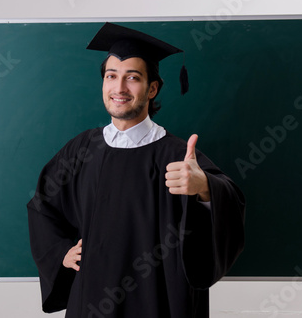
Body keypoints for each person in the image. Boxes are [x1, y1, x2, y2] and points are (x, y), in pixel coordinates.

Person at [27, 22, 245, 318]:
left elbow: (230, 200)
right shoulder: (81, 150)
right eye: (111, 76)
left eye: (132, 78)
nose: (119, 88)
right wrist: (59, 252)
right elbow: (42, 205)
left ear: (152, 88)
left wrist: (204, 187)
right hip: (92, 297)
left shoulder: (177, 155)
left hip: (158, 299)